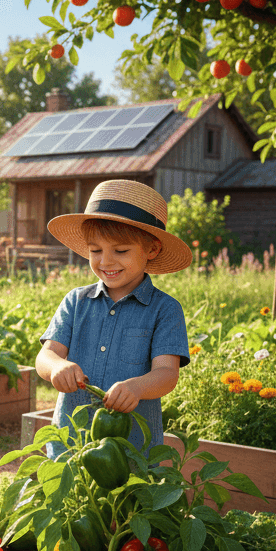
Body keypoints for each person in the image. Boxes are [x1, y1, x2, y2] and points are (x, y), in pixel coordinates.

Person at [35, 178, 192, 453]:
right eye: (95, 251)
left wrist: (138, 388)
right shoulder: (76, 301)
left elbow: (167, 374)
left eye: (120, 251)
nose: (105, 261)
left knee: (128, 495)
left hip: (132, 447)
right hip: (72, 441)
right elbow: (45, 356)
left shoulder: (165, 309)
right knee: (68, 494)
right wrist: (57, 367)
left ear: (152, 250)